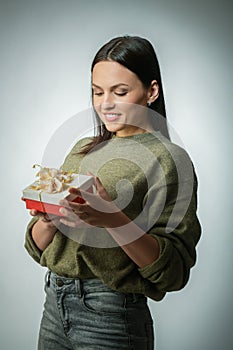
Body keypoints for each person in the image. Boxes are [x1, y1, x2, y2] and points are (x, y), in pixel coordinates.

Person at [24, 35, 201, 350]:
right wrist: (49, 219)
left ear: (151, 91)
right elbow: (38, 247)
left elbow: (173, 273)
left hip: (110, 315)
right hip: (54, 303)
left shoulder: (169, 159)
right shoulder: (81, 149)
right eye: (97, 91)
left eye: (120, 92)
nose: (105, 103)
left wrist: (113, 218)